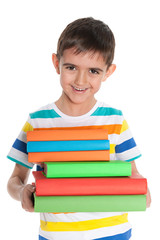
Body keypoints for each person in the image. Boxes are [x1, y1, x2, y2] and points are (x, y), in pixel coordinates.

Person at [7, 17, 151, 240]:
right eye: (71, 67)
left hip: (112, 232)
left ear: (108, 71)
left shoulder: (115, 120)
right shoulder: (37, 122)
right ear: (56, 63)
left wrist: (142, 189)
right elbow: (15, 178)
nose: (81, 80)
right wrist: (21, 192)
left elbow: (132, 172)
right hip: (57, 235)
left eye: (93, 71)